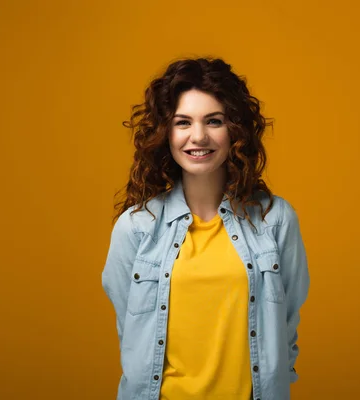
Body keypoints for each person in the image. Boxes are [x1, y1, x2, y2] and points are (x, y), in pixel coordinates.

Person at [101, 57, 310, 400]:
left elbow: (286, 322)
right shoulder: (136, 229)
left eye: (213, 121)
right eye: (183, 122)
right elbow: (132, 332)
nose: (198, 136)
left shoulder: (275, 219)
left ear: (235, 130)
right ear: (165, 133)